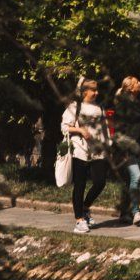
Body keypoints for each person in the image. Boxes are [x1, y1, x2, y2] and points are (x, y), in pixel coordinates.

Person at [61, 78, 111, 232]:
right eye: (93, 90)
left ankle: (85, 207)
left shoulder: (99, 108)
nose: (96, 92)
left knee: (100, 181)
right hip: (79, 149)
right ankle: (79, 220)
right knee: (80, 184)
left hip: (97, 150)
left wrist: (108, 145)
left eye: (97, 90)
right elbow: (64, 127)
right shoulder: (75, 107)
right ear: (84, 92)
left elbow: (104, 129)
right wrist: (80, 130)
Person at [110, 75, 140, 227]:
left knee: (130, 181)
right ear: (130, 88)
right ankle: (136, 213)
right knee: (135, 177)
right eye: (137, 82)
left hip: (138, 147)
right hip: (125, 148)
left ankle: (125, 213)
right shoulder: (122, 105)